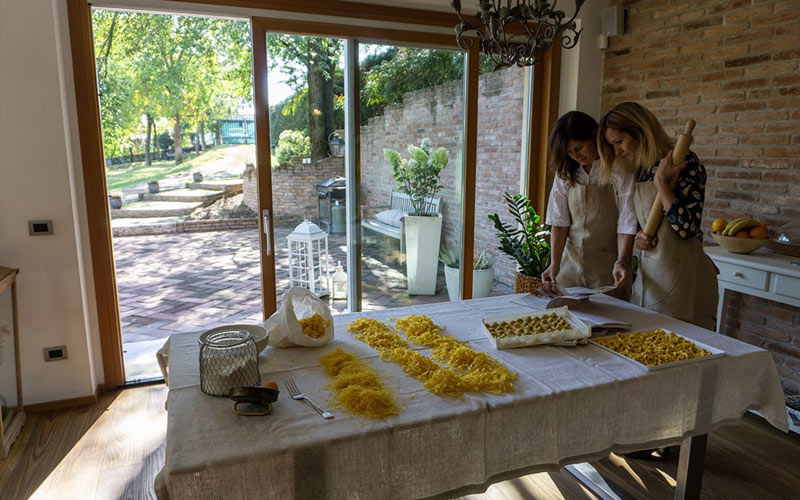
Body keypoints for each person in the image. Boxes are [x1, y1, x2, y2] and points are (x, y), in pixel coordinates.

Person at [598, 102, 718, 330]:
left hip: (686, 279)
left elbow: (687, 228)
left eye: (619, 142)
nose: (617, 151)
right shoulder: (641, 168)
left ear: (640, 131)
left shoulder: (684, 162)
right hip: (651, 276)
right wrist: (639, 237)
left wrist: (663, 184)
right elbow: (644, 221)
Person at [542, 111, 636, 298]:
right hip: (570, 265)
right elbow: (559, 222)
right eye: (569, 152)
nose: (576, 156)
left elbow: (627, 220)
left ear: (594, 135)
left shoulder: (618, 168)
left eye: (579, 147)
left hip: (608, 267)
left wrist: (622, 261)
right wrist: (554, 264)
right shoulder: (566, 171)